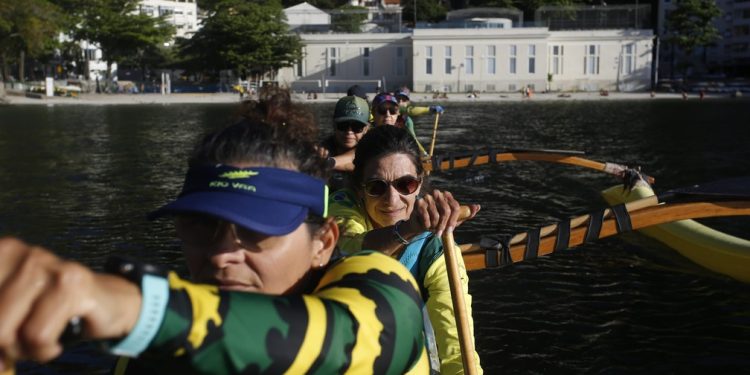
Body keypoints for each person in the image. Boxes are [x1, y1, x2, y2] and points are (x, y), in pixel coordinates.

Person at [0, 112, 428, 374]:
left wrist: (136, 308)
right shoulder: (147, 356)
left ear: (325, 241)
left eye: (258, 229)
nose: (222, 253)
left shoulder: (380, 284)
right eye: (203, 226)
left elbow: (354, 340)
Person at [328, 125, 483, 375]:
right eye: (377, 187)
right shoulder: (341, 206)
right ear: (359, 188)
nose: (392, 200)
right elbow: (350, 251)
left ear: (419, 185)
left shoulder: (437, 247)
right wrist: (410, 228)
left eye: (405, 184)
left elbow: (457, 347)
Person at [319, 95, 371, 191]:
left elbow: (354, 157)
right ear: (334, 125)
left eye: (357, 126)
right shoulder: (323, 148)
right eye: (343, 125)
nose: (349, 132)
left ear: (366, 129)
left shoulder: (373, 149)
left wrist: (325, 163)